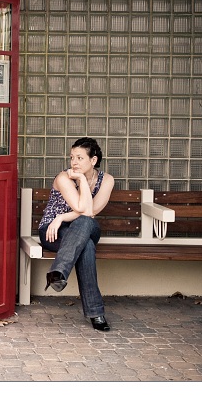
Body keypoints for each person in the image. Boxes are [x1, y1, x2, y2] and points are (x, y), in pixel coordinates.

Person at [38, 137, 115, 331]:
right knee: (86, 246)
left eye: (80, 158)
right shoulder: (63, 178)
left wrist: (62, 216)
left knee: (84, 222)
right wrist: (58, 220)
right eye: (72, 157)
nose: (74, 162)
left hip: (83, 226)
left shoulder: (107, 180)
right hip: (53, 230)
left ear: (93, 161)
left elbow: (90, 212)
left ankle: (59, 271)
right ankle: (96, 313)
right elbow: (82, 207)